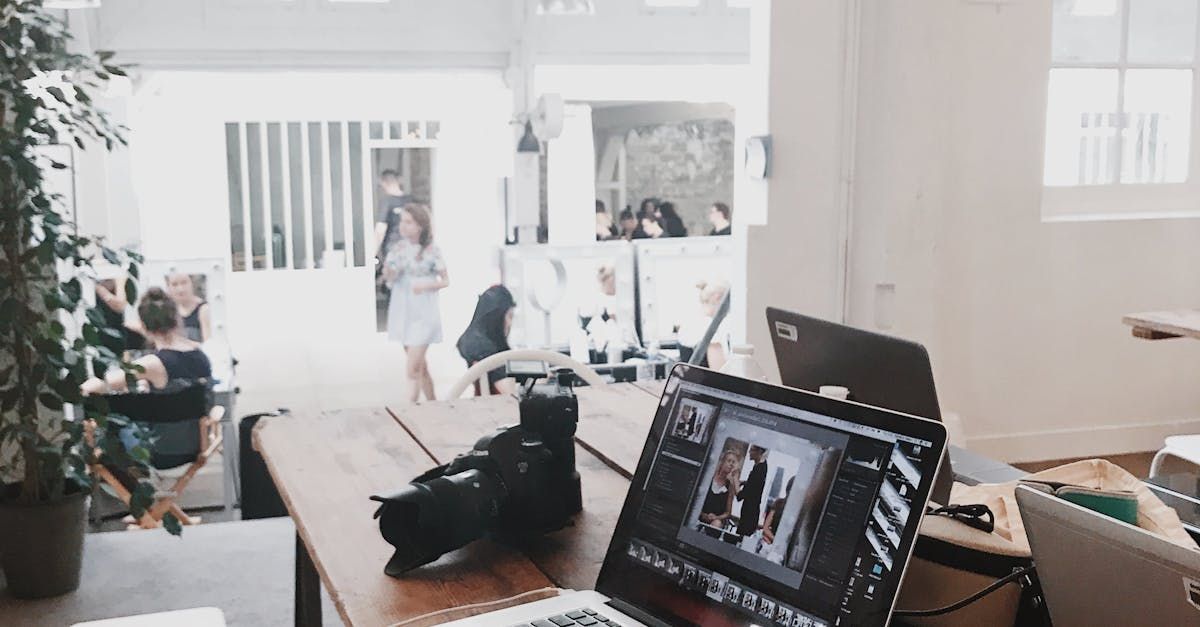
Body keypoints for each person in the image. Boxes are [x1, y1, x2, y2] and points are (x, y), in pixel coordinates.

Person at [82, 288, 213, 470]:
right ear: (177, 319)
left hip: (161, 453)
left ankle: (128, 491)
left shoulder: (153, 363)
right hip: (194, 445)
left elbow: (99, 384)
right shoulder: (200, 354)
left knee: (110, 425)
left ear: (143, 326)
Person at [383, 203, 449, 403]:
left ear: (420, 225)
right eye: (402, 221)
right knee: (420, 367)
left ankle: (409, 408)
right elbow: (389, 277)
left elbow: (445, 280)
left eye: (409, 222)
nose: (404, 226)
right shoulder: (398, 248)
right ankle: (433, 403)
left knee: (412, 369)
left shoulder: (432, 250)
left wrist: (426, 285)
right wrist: (388, 270)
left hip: (424, 312)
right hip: (403, 310)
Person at [456, 285, 518, 396]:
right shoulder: (484, 349)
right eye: (509, 316)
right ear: (496, 317)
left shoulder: (471, 340)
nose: (510, 324)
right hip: (499, 408)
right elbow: (511, 395)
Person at [677, 279, 731, 369]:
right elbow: (719, 371)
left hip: (689, 380)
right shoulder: (710, 327)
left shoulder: (689, 322)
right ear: (717, 297)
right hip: (705, 382)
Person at [700, 449, 742, 529]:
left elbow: (727, 513)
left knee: (717, 524)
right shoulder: (709, 478)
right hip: (700, 515)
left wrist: (716, 518)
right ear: (722, 462)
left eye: (733, 462)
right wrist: (702, 514)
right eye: (729, 461)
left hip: (716, 521)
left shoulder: (730, 486)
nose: (731, 464)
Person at [375, 169, 411, 259]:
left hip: (393, 246)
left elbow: (380, 229)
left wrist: (372, 253)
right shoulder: (411, 201)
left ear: (384, 183)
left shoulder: (387, 202)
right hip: (411, 246)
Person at [166, 273, 210, 343]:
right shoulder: (169, 311)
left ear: (192, 283)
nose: (180, 289)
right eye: (174, 284)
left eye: (184, 283)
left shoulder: (204, 309)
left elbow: (208, 344)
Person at [735, 445, 769, 536]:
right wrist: (744, 483)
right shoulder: (763, 466)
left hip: (748, 515)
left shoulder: (758, 470)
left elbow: (739, 496)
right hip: (752, 512)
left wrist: (735, 481)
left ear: (759, 451)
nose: (749, 452)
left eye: (752, 450)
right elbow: (755, 484)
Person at [762, 477, 794, 545]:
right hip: (772, 543)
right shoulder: (778, 503)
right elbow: (765, 527)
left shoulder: (780, 503)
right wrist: (777, 542)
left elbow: (766, 528)